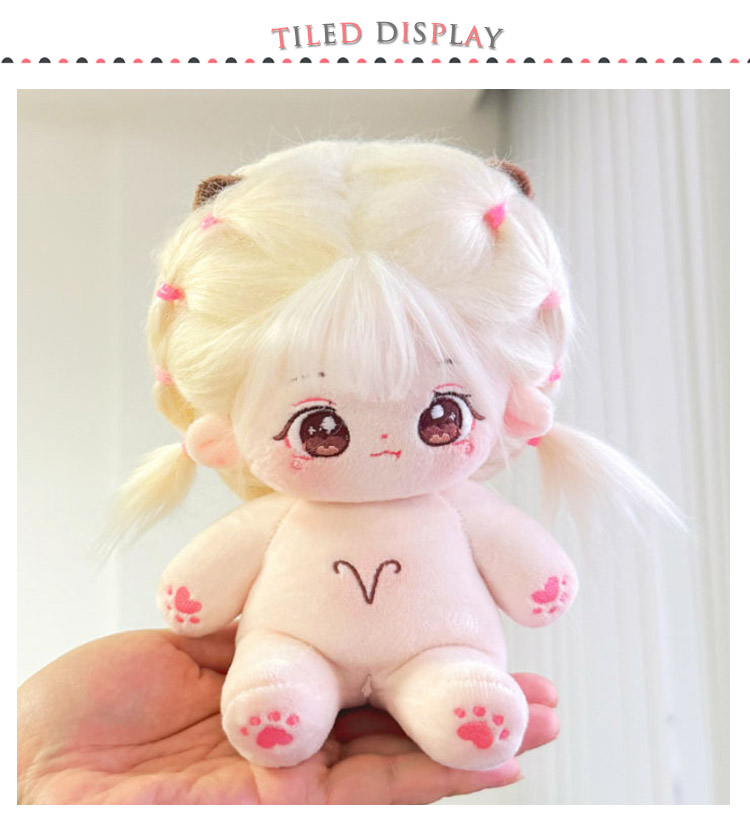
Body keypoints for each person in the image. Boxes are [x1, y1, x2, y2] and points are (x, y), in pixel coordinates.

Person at [17, 624, 559, 804]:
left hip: (427, 648)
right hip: (299, 650)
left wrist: (28, 769)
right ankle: (282, 712)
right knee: (285, 672)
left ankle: (453, 702)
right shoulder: (283, 521)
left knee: (442, 681)